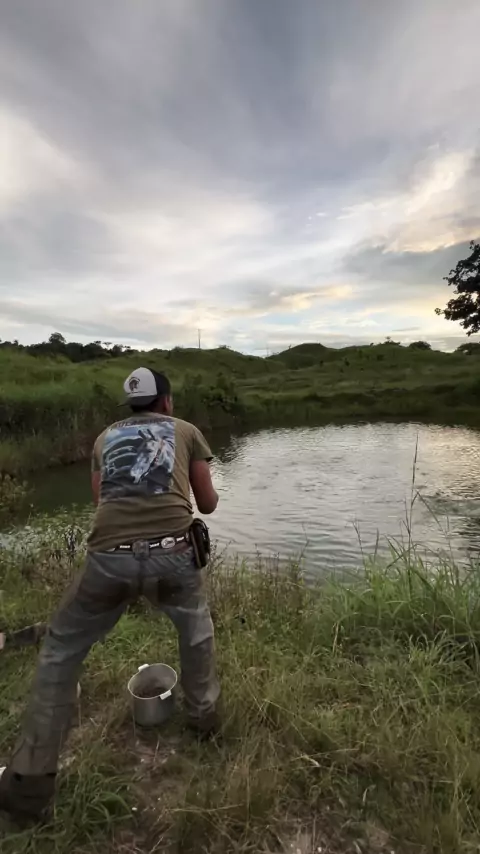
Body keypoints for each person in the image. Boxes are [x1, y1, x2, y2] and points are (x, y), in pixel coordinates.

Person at [0, 367, 220, 824]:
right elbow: (208, 503)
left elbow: (103, 502)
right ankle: (204, 720)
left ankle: (29, 784)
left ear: (130, 405)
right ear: (167, 402)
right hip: (174, 556)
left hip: (108, 560)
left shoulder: (103, 438)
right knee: (195, 628)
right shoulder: (186, 431)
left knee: (60, 649)